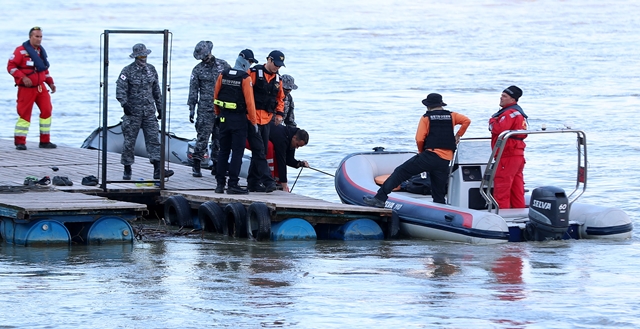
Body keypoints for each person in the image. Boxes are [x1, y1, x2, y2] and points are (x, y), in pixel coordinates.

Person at [363, 93, 471, 207]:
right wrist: (458, 135)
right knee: (438, 189)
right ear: (441, 104)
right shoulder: (452, 115)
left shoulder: (426, 117)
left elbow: (419, 138)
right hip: (445, 159)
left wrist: (421, 153)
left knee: (401, 172)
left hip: (430, 155)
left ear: (428, 106)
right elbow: (467, 121)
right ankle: (440, 208)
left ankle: (380, 198)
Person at [116, 43, 174, 180]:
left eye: (145, 55)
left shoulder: (151, 69)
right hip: (133, 112)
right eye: (141, 56)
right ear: (136, 57)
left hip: (149, 112)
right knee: (129, 142)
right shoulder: (127, 71)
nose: (144, 58)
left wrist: (160, 108)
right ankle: (127, 168)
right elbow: (120, 89)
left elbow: (156, 90)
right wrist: (124, 104)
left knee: (154, 140)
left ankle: (158, 170)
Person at [213, 49, 259, 194]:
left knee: (223, 151)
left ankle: (220, 185)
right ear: (244, 61)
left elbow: (215, 96)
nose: (250, 65)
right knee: (237, 152)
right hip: (239, 120)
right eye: (250, 62)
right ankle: (233, 184)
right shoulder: (245, 78)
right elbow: (250, 102)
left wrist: (218, 114)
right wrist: (253, 121)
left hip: (224, 118)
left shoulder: (223, 74)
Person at [7, 26, 57, 150]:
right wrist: (23, 77)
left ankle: (45, 141)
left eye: (40, 37)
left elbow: (44, 70)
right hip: (26, 89)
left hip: (40, 88)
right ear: (30, 37)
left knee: (47, 110)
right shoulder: (20, 51)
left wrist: (50, 82)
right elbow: (11, 67)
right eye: (36, 36)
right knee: (24, 114)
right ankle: (20, 142)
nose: (39, 39)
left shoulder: (40, 52)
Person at [187, 41, 231, 177]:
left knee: (220, 138)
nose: (205, 58)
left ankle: (217, 164)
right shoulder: (197, 69)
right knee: (202, 137)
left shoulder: (223, 65)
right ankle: (197, 163)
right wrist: (191, 108)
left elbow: (231, 85)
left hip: (222, 108)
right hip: (205, 109)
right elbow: (193, 90)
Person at [245, 50, 286, 192]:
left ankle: (253, 182)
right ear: (268, 60)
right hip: (252, 118)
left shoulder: (278, 80)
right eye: (275, 64)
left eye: (280, 66)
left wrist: (280, 114)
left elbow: (280, 99)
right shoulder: (254, 73)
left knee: (259, 151)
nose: (277, 68)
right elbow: (244, 91)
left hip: (267, 119)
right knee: (259, 150)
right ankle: (267, 181)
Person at [488, 85, 528, 209]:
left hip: (507, 155)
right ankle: (519, 212)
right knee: (517, 188)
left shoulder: (509, 114)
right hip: (517, 154)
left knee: (502, 187)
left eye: (504, 96)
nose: (501, 98)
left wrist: (491, 121)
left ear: (512, 100)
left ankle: (502, 217)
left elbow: (497, 129)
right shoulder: (519, 113)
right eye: (501, 95)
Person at [269, 124, 309, 192]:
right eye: (297, 145)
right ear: (294, 137)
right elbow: (281, 162)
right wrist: (284, 185)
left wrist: (299, 164)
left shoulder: (292, 140)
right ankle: (268, 179)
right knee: (271, 150)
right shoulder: (282, 139)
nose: (296, 147)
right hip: (258, 137)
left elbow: (288, 160)